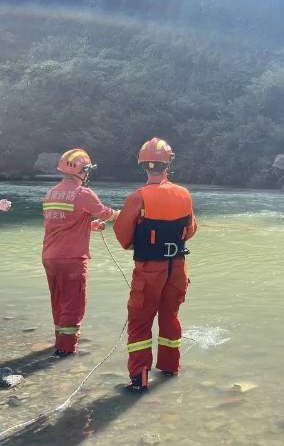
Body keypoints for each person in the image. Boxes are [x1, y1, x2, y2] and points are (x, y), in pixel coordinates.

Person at [113, 137, 197, 392]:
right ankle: (171, 368)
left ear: (144, 166)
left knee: (140, 322)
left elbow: (123, 236)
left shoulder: (138, 197)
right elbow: (190, 230)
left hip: (150, 269)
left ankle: (140, 379)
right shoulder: (184, 193)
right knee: (170, 316)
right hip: (178, 267)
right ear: (168, 164)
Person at [42, 149, 119, 358]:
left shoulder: (51, 193)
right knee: (73, 303)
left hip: (49, 257)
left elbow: (62, 223)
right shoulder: (83, 193)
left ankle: (59, 341)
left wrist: (90, 227)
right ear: (83, 171)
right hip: (72, 259)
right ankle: (66, 351)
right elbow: (106, 213)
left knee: (58, 300)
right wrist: (124, 214)